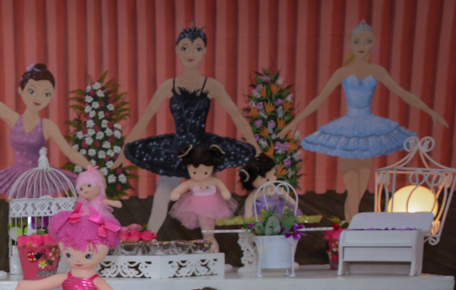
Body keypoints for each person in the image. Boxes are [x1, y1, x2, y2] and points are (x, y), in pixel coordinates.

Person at [281, 21, 448, 221]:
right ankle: (351, 227)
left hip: (369, 129)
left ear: (372, 44)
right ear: (351, 44)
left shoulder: (377, 70)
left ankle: (352, 225)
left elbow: (402, 93)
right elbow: (319, 100)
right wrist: (292, 124)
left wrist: (431, 111)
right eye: (357, 41)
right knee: (352, 185)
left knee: (360, 186)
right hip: (348, 130)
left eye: (367, 41)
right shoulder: (342, 73)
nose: (362, 45)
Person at [114, 23, 258, 233]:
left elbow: (236, 115)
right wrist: (122, 150)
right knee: (163, 194)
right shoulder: (168, 86)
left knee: (208, 198)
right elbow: (145, 118)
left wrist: (255, 145)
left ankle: (210, 247)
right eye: (184, 48)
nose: (191, 53)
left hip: (204, 152)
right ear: (176, 50)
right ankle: (149, 240)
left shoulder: (212, 85)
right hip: (177, 149)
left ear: (205, 51)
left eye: (197, 48)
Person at [0, 59, 92, 197]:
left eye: (46, 94)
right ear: (21, 90)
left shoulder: (47, 125)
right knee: (22, 212)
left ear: (51, 96)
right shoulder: (14, 119)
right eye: (32, 91)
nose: (39, 98)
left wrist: (92, 170)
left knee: (41, 211)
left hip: (39, 178)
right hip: (18, 176)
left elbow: (70, 153)